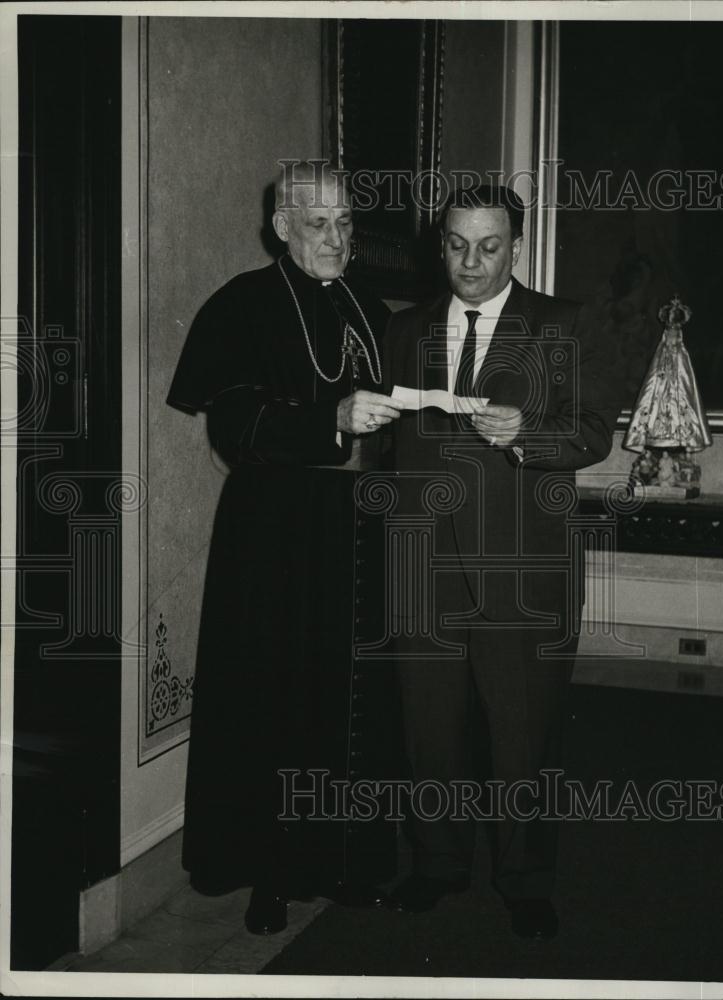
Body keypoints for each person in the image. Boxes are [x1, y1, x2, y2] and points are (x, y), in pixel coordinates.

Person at [166, 161, 404, 935]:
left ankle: (348, 860)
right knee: (276, 697)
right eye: (316, 224)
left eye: (344, 224)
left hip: (361, 530)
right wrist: (332, 420)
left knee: (353, 695)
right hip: (277, 531)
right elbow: (235, 431)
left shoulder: (369, 304)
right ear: (280, 227)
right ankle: (270, 873)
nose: (336, 239)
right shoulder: (240, 307)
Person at [382, 184, 623, 939]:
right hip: (422, 569)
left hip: (522, 572)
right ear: (440, 244)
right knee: (429, 732)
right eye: (456, 245)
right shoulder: (404, 328)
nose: (471, 263)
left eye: (489, 247)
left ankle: (525, 879)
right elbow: (383, 445)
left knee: (523, 735)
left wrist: (527, 434)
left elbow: (592, 434)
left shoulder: (563, 322)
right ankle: (436, 864)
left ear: (515, 246)